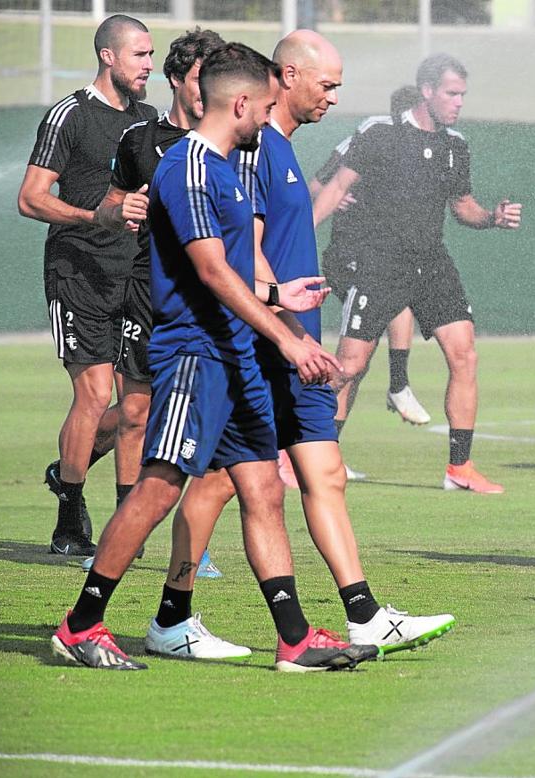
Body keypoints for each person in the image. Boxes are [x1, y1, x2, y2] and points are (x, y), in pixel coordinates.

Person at [50, 42, 378, 671]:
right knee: (157, 489)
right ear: (243, 102)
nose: (271, 114)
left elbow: (233, 271)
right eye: (268, 104)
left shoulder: (228, 168)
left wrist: (282, 293)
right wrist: (287, 335)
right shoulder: (189, 167)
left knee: (261, 488)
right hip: (195, 355)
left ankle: (294, 638)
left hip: (236, 358)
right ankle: (81, 625)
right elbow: (209, 272)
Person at [141, 30, 454, 662]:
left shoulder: (279, 148)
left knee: (317, 473)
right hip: (264, 344)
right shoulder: (251, 151)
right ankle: (168, 615)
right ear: (285, 78)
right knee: (219, 486)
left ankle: (360, 615)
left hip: (291, 340)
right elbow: (240, 250)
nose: (334, 97)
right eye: (327, 84)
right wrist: (281, 310)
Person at [312, 54, 522, 493]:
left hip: (431, 263)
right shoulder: (380, 132)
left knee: (464, 354)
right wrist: (293, 236)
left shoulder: (455, 145)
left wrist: (491, 217)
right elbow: (334, 187)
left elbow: (463, 206)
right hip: (378, 263)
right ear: (426, 90)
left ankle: (459, 468)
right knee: (349, 365)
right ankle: (293, 450)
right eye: (451, 93)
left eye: (462, 94)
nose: (458, 102)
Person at [87, 27, 229, 578]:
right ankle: (126, 532)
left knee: (205, 418)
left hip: (213, 301)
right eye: (199, 80)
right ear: (176, 79)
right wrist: (122, 207)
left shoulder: (235, 143)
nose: (207, 91)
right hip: (149, 291)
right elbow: (111, 198)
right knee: (138, 414)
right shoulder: (139, 140)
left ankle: (192, 538)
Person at [19, 14, 157, 556]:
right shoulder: (69, 115)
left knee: (138, 407)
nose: (149, 65)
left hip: (138, 275)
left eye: (151, 55)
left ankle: (117, 509)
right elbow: (30, 197)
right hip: (78, 272)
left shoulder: (149, 120)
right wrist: (93, 217)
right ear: (108, 55)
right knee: (96, 393)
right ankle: (70, 517)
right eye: (140, 55)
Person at [307, 84, 428, 484]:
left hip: (380, 258)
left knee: (356, 365)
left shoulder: (416, 153)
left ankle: (329, 452)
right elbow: (315, 185)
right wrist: (332, 194)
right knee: (351, 361)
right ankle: (397, 385)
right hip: (349, 255)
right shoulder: (364, 140)